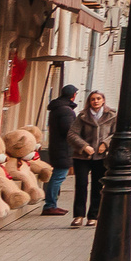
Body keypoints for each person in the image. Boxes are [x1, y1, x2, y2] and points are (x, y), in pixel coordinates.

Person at [70, 90, 116, 229]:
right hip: (82, 156)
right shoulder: (82, 116)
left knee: (97, 186)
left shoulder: (112, 115)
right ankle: (78, 216)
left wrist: (105, 144)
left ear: (103, 100)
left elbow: (116, 133)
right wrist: (84, 146)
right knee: (81, 185)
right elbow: (72, 134)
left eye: (98, 99)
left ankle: (93, 216)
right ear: (89, 102)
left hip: (101, 157)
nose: (95, 101)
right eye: (92, 99)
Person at [42, 84, 79, 216]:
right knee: (58, 177)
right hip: (63, 149)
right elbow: (68, 131)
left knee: (58, 176)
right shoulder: (66, 110)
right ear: (73, 95)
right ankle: (50, 205)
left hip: (58, 147)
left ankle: (52, 204)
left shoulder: (58, 109)